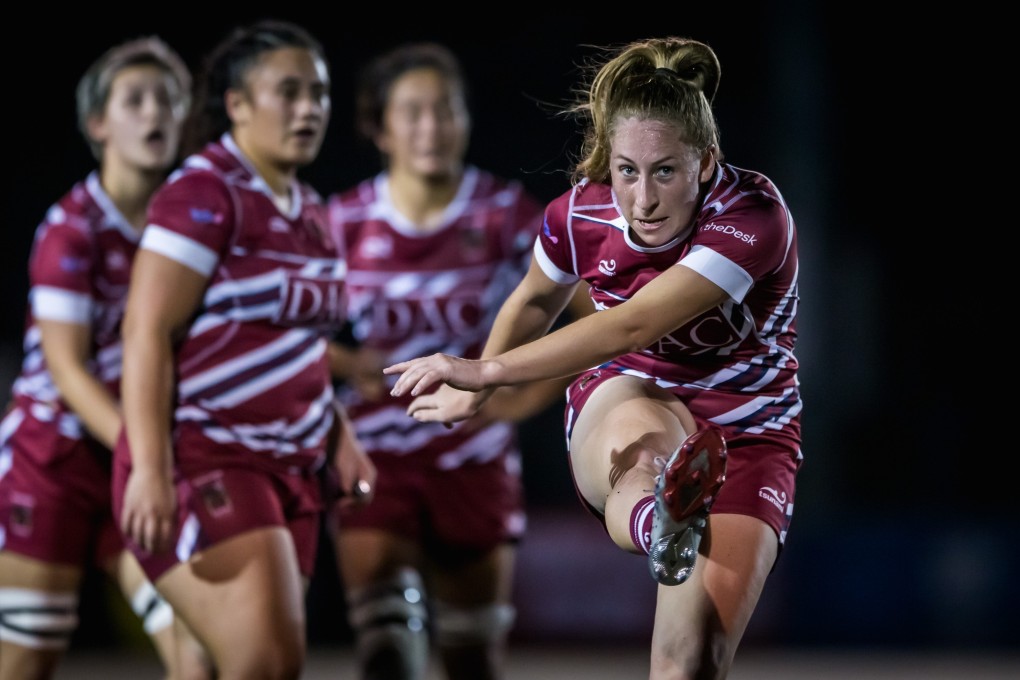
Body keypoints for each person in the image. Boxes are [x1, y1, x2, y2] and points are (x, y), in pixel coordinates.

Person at [384, 36, 803, 680]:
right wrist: (479, 388)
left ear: (707, 163)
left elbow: (633, 322)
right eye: (627, 170)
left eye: (666, 170)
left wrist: (485, 371)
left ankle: (670, 512)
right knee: (642, 441)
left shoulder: (752, 215)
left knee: (690, 663)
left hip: (749, 423)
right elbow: (533, 300)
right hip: (632, 388)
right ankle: (660, 519)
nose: (644, 199)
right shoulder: (579, 213)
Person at [111, 20, 375, 680]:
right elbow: (145, 333)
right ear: (237, 104)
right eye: (287, 92)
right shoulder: (205, 192)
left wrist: (338, 430)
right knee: (265, 662)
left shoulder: (310, 209)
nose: (309, 108)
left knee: (205, 667)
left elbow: (297, 345)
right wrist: (147, 468)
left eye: (318, 93)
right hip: (208, 458)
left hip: (293, 470)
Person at [324, 42, 590, 680]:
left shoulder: (503, 214)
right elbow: (278, 328)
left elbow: (588, 317)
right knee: (386, 653)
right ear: (378, 127)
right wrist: (345, 362)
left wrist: (517, 399)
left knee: (472, 660)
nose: (431, 126)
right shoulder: (342, 221)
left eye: (446, 110)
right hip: (375, 456)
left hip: (473, 457)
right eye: (412, 112)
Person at [0, 37, 212, 680]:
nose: (155, 112)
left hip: (141, 457)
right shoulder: (72, 228)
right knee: (28, 661)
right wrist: (146, 453)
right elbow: (67, 370)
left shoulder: (200, 224)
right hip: (56, 459)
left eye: (169, 100)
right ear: (99, 124)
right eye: (136, 99)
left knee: (198, 650)